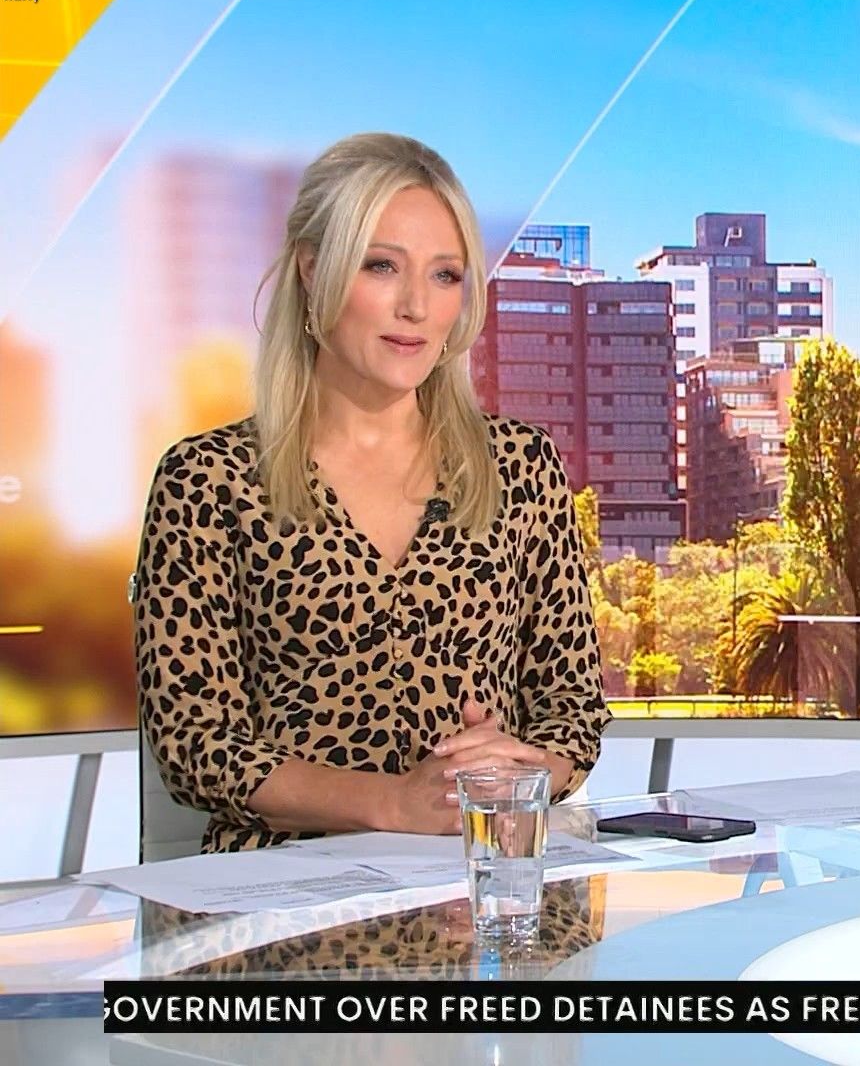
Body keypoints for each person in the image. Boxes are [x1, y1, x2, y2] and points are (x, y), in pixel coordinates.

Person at [132, 133, 608, 853]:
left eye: (445, 275)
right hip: (286, 886)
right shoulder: (207, 480)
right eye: (382, 266)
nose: (416, 306)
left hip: (483, 875)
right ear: (312, 268)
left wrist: (519, 770)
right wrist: (391, 804)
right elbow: (194, 744)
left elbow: (572, 709)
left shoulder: (521, 467)